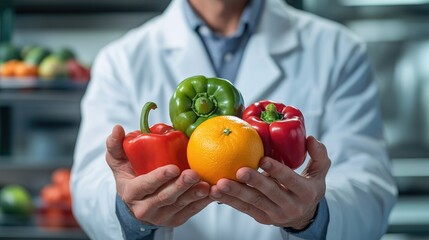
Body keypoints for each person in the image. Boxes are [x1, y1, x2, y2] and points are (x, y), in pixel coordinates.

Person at [71, 0, 398, 239]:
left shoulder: (338, 50)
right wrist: (130, 213)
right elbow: (88, 187)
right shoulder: (122, 59)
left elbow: (369, 186)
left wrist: (311, 216)